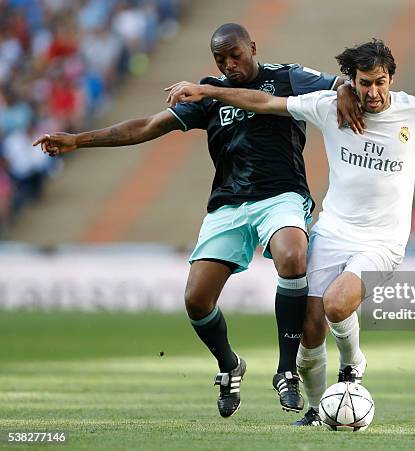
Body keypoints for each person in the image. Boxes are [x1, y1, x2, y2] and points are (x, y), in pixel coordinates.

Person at [165, 38, 415, 425]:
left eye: (380, 82)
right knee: (309, 330)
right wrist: (210, 90)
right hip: (331, 232)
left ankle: (352, 365)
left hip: (383, 240)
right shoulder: (330, 107)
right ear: (352, 82)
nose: (373, 92)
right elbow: (266, 103)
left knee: (337, 303)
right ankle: (315, 411)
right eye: (365, 83)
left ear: (391, 78)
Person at [33, 23, 363, 419]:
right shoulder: (206, 94)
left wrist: (344, 87)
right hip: (228, 205)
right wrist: (78, 139)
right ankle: (229, 366)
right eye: (221, 59)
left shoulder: (285, 77)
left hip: (281, 196)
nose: (229, 64)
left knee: (293, 255)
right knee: (196, 300)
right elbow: (147, 126)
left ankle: (286, 370)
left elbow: (339, 83)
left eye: (235, 55)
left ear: (252, 47)